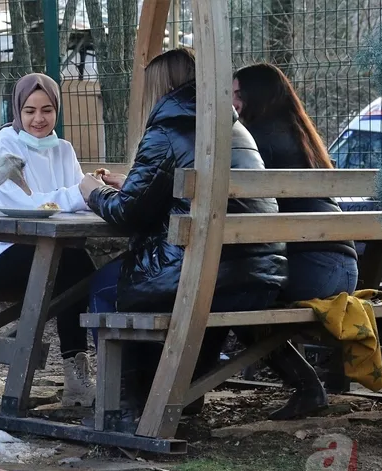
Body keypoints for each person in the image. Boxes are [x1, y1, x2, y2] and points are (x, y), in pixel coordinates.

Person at [80, 47, 288, 422]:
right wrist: (131, 185)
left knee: (104, 287)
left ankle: (124, 407)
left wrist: (90, 191)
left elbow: (127, 214)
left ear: (162, 86)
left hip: (207, 277)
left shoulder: (167, 127)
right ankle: (183, 398)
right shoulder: (233, 127)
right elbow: (191, 192)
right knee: (164, 282)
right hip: (260, 273)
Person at [232, 62, 359, 418]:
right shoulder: (298, 133)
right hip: (341, 267)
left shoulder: (256, 140)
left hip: (312, 270)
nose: (233, 102)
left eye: (238, 94)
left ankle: (307, 388)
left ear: (258, 95)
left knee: (234, 299)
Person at [0, 73, 97, 407]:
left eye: (47, 110)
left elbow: (75, 201)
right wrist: (77, 194)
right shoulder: (4, 145)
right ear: (17, 111)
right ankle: (76, 377)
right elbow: (15, 202)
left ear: (57, 111)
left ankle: (78, 375)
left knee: (79, 266)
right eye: (29, 111)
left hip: (47, 250)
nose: (38, 119)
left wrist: (94, 190)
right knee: (75, 267)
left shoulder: (64, 150)